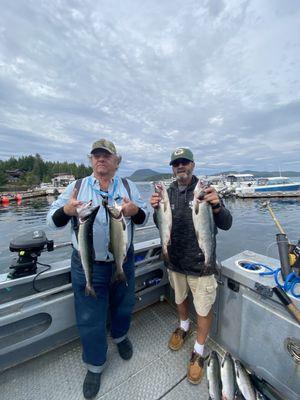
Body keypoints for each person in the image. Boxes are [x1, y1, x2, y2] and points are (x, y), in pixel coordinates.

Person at [47, 139, 149, 399]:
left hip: (122, 260)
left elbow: (144, 217)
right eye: (96, 156)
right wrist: (67, 210)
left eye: (106, 155)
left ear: (117, 161)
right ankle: (95, 365)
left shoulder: (128, 186)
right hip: (86, 264)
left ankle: (120, 336)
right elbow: (52, 221)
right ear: (91, 160)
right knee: (89, 317)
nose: (100, 159)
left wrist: (135, 209)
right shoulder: (76, 187)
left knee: (123, 305)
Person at [150, 147, 232, 385]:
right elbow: (160, 224)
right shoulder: (168, 191)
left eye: (184, 162)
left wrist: (217, 206)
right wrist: (157, 209)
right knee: (179, 298)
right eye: (176, 164)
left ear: (193, 165)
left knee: (204, 309)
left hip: (201, 266)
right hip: (175, 262)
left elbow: (226, 224)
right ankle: (184, 326)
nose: (180, 167)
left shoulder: (206, 191)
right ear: (173, 168)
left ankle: (198, 350)